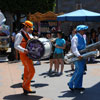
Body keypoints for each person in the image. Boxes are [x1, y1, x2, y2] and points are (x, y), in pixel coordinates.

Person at [14, 20, 36, 95]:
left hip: (28, 56)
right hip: (24, 55)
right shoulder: (19, 35)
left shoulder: (27, 34)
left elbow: (31, 40)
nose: (31, 29)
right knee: (32, 71)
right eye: (30, 28)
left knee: (27, 72)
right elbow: (16, 45)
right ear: (26, 27)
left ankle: (27, 88)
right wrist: (23, 50)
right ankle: (25, 86)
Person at [68, 25, 88, 91]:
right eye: (84, 30)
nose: (85, 31)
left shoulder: (83, 37)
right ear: (80, 30)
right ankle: (70, 83)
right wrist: (78, 55)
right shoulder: (75, 38)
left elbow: (84, 47)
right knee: (79, 70)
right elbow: (74, 48)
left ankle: (78, 86)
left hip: (83, 56)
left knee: (81, 71)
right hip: (78, 56)